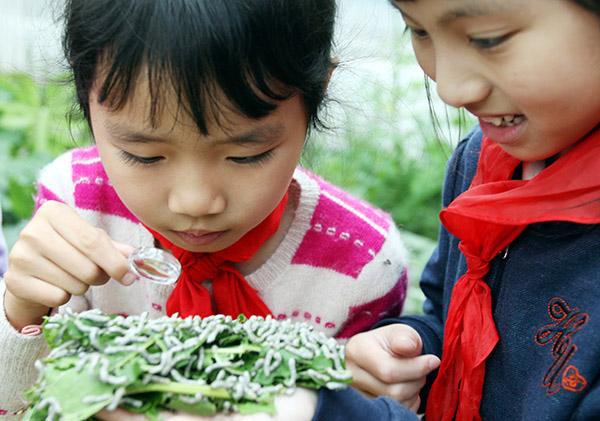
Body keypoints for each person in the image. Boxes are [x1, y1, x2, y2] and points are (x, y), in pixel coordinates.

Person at [0, 0, 410, 418]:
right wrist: (21, 313)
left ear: (318, 88)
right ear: (85, 88)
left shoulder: (359, 263)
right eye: (144, 156)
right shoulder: (75, 205)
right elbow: (19, 404)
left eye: (246, 156)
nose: (195, 202)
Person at [200, 0, 600, 420]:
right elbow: (452, 328)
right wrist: (404, 350)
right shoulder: (482, 163)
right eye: (419, 31)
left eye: (488, 39)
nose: (451, 89)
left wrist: (326, 412)